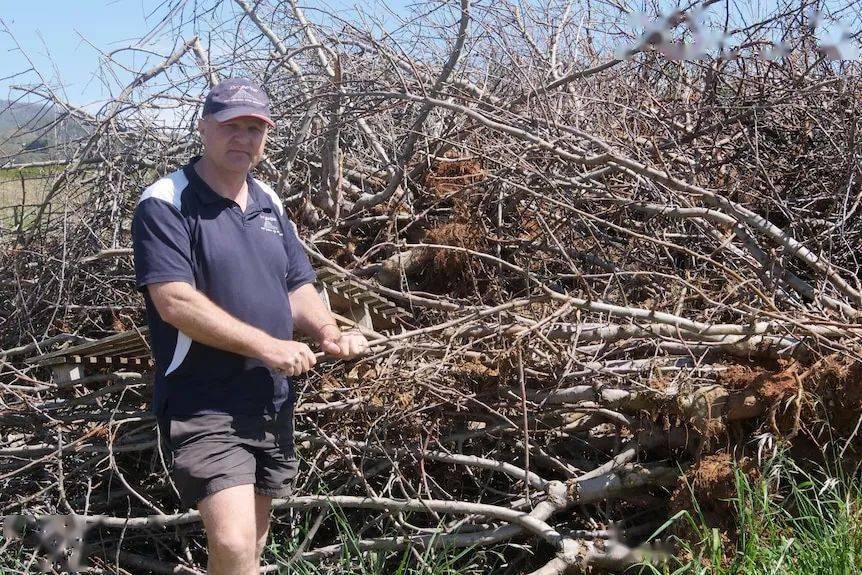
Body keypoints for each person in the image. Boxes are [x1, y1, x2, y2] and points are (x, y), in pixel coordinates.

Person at [131, 77, 368, 574]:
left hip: (268, 399)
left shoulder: (269, 202)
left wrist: (328, 332)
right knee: (235, 543)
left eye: (254, 128)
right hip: (204, 400)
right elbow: (174, 300)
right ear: (203, 128)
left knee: (250, 550)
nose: (243, 138)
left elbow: (297, 286)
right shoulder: (167, 201)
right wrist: (267, 345)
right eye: (230, 126)